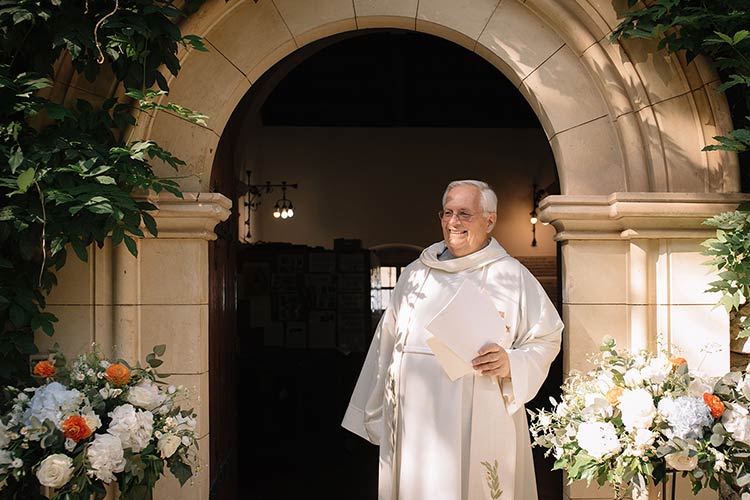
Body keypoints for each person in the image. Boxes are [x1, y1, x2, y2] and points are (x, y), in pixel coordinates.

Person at [342, 180, 563, 500]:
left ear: (490, 220)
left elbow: (547, 337)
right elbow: (386, 341)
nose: (453, 222)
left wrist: (511, 362)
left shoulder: (510, 275)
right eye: (447, 213)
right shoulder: (415, 273)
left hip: (479, 407)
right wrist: (373, 405)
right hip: (414, 417)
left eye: (464, 213)